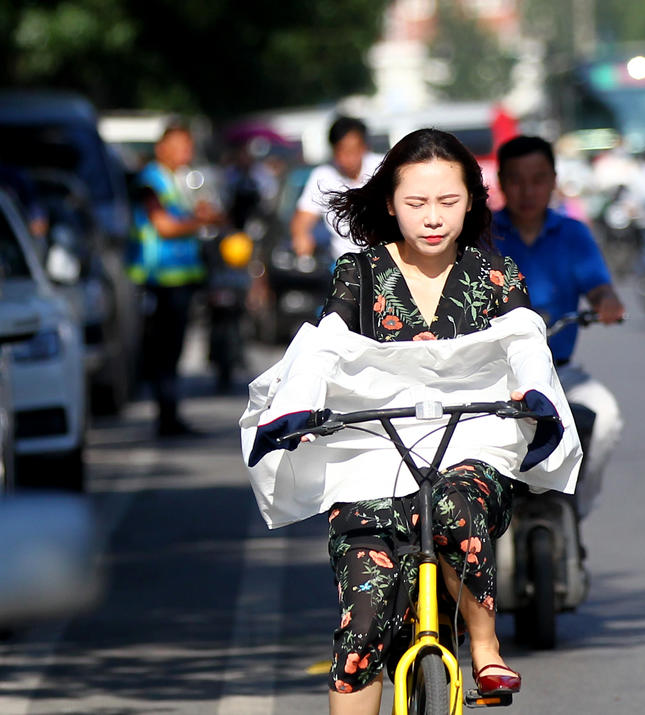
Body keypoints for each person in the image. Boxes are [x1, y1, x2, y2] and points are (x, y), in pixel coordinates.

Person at [245, 128, 579, 714]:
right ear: (390, 204)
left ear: (472, 201)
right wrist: (295, 405)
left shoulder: (496, 274)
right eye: (416, 203)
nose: (432, 218)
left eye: (448, 202)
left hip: (471, 446)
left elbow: (526, 340)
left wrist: (533, 394)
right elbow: (324, 346)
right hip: (372, 456)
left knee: (454, 503)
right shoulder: (358, 273)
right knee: (362, 632)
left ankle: (485, 645)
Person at [492, 135, 624, 520]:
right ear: (501, 182)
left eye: (538, 179)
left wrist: (607, 303)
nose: (528, 190)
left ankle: (577, 509)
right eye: (516, 179)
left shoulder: (573, 233)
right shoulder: (482, 235)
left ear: (553, 180)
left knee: (606, 417)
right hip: (497, 378)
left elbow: (598, 285)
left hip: (561, 373)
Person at [127, 122, 224, 437]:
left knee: (173, 350)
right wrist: (199, 221)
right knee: (164, 351)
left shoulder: (179, 179)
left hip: (180, 279)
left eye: (188, 145)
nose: (186, 152)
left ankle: (170, 416)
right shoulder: (150, 181)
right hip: (159, 279)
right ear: (161, 148)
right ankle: (166, 418)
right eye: (180, 145)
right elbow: (164, 226)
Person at [290, 115, 383, 261]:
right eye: (343, 151)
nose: (349, 157)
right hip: (348, 266)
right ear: (333, 150)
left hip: (385, 258)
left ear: (364, 147)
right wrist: (301, 237)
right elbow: (302, 219)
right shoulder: (323, 177)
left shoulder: (382, 168)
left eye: (353, 150)